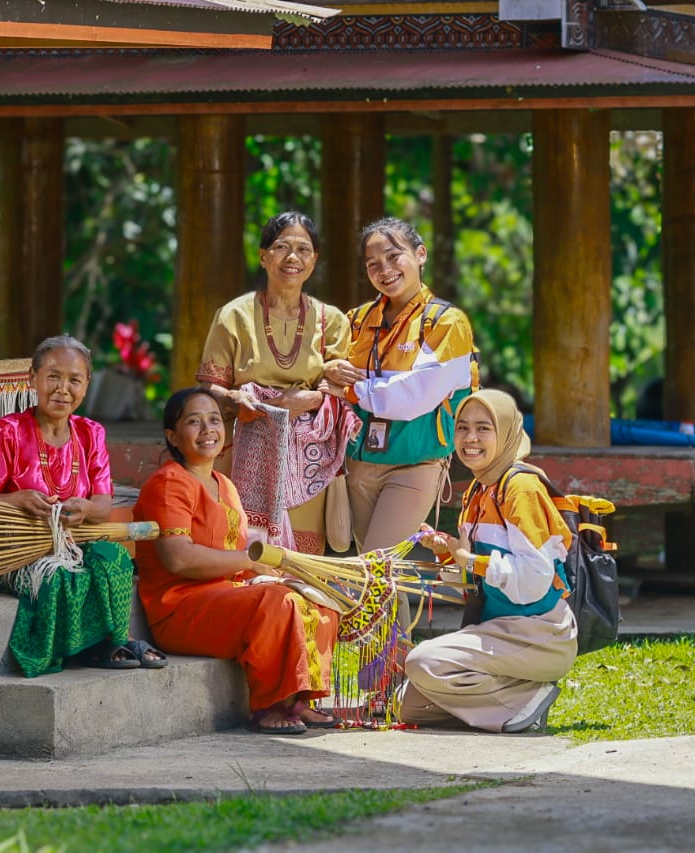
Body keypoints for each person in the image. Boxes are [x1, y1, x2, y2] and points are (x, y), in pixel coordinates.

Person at [132, 387, 340, 735]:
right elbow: (179, 559)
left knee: (317, 599)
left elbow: (238, 553)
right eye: (194, 422)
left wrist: (270, 569)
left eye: (214, 420)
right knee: (278, 602)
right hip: (179, 608)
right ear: (172, 436)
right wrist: (250, 563)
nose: (207, 429)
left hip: (225, 595)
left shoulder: (224, 484)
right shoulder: (168, 483)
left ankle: (298, 699)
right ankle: (270, 705)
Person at [0, 335, 167, 677]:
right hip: (18, 553)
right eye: (53, 376)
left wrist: (87, 510)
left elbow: (103, 504)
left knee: (114, 559)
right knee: (60, 577)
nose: (63, 389)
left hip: (74, 544)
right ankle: (86, 647)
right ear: (33, 379)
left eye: (74, 380)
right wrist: (15, 499)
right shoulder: (9, 431)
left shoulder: (91, 433)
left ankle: (114, 640)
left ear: (87, 385)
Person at [401, 388, 578, 733]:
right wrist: (448, 551)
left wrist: (473, 561)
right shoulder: (479, 490)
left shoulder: (521, 489)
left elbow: (534, 580)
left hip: (539, 633)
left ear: (507, 432)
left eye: (484, 428)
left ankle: (525, 700)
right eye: (463, 427)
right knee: (409, 704)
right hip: (499, 629)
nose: (470, 438)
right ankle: (516, 697)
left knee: (423, 662)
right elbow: (472, 582)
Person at [197, 211, 358, 555]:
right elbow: (209, 389)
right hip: (244, 446)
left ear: (314, 259)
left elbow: (341, 396)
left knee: (300, 564)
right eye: (282, 246)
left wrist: (311, 400)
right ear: (263, 255)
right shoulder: (233, 315)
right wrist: (245, 401)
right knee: (246, 556)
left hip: (308, 461)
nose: (292, 257)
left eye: (303, 249)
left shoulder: (333, 322)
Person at [322, 217, 479, 553]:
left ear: (420, 254)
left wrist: (350, 389)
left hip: (416, 463)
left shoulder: (447, 322)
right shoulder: (356, 320)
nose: (384, 269)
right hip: (359, 463)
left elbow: (415, 397)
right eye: (373, 263)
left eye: (394, 257)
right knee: (379, 575)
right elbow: (318, 372)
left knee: (378, 566)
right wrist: (327, 369)